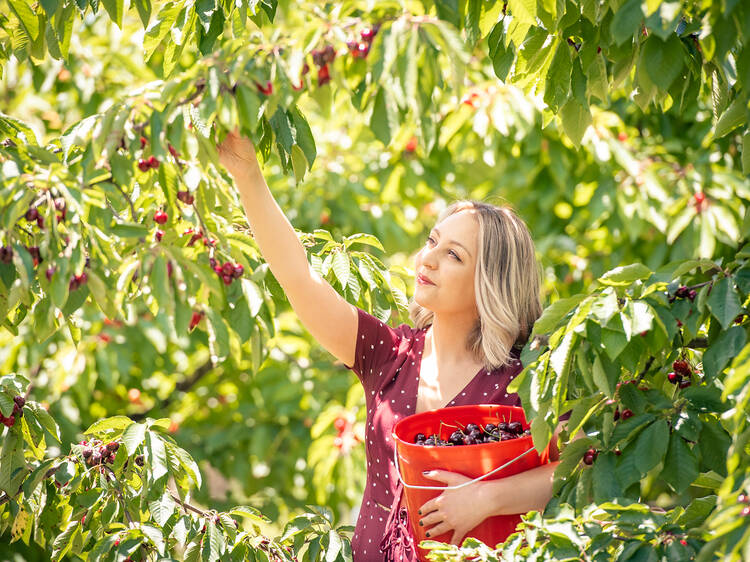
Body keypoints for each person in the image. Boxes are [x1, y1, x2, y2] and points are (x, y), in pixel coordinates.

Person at [217, 130, 581, 561]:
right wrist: (248, 175)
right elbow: (297, 275)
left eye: (454, 255)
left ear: (491, 282)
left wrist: (487, 499)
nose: (427, 258)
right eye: (432, 242)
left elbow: (579, 467)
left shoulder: (529, 378)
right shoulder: (389, 355)